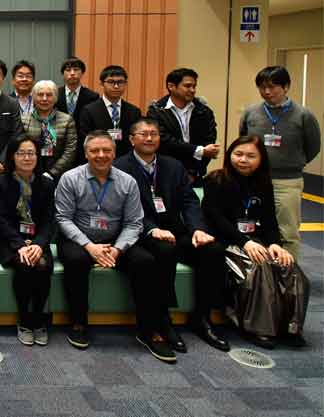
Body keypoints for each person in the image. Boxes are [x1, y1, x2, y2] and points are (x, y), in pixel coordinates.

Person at [55, 131, 178, 363]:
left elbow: (134, 222)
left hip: (116, 240)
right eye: (94, 151)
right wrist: (90, 246)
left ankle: (148, 330)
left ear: (114, 153)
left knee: (145, 262)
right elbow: (63, 219)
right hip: (79, 240)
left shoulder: (127, 182)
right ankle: (79, 322)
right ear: (85, 153)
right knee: (76, 261)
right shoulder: (70, 178)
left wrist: (117, 249)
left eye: (106, 151)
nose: (101, 155)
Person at [114, 119, 229, 352]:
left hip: (176, 229)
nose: (149, 138)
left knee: (213, 250)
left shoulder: (173, 165)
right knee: (163, 250)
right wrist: (151, 228)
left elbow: (189, 201)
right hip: (140, 231)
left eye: (154, 134)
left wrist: (198, 229)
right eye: (143, 134)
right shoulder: (120, 167)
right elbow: (123, 209)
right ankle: (162, 319)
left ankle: (202, 317)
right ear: (131, 139)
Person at [202, 135, 310, 349]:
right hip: (227, 241)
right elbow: (216, 219)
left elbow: (270, 220)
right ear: (229, 155)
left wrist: (276, 244)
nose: (243, 160)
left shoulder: (263, 183)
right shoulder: (215, 180)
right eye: (238, 154)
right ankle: (258, 329)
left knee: (290, 268)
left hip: (256, 240)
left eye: (251, 156)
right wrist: (245, 243)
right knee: (259, 269)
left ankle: (290, 327)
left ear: (261, 159)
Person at [239, 66, 320, 261]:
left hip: (287, 181)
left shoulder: (303, 115)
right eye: (262, 87)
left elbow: (313, 147)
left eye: (273, 87)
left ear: (286, 87)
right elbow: (243, 141)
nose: (267, 92)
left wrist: (291, 163)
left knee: (287, 231)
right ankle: (259, 275)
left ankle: (287, 275)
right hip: (254, 178)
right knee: (250, 226)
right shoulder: (251, 113)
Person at [0, 137, 55, 346]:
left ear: (38, 156)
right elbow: (2, 219)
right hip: (9, 240)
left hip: (38, 240)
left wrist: (38, 243)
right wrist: (20, 245)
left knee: (43, 266)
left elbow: (48, 220)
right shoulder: (1, 181)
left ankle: (39, 319)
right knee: (25, 265)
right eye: (21, 153)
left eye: (31, 153)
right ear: (13, 156)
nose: (27, 158)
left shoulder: (46, 183)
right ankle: (25, 320)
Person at [147, 68, 219, 185]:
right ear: (171, 86)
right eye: (187, 86)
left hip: (196, 174)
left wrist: (194, 170)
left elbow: (209, 143)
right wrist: (198, 150)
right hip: (165, 172)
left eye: (194, 86)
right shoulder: (156, 111)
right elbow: (164, 141)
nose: (192, 90)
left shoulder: (204, 111)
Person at [78, 65, 141, 159]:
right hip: (99, 159)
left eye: (120, 82)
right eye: (111, 82)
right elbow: (85, 141)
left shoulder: (134, 111)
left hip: (127, 162)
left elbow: (136, 140)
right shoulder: (89, 111)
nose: (116, 86)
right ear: (102, 83)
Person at [20, 80, 77, 179]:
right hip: (29, 174)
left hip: (60, 175)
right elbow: (20, 148)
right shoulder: (23, 120)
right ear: (33, 97)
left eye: (49, 95)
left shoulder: (67, 120)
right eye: (40, 95)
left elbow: (70, 150)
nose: (44, 98)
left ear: (55, 98)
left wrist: (52, 173)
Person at [11, 60, 35, 124]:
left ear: (33, 81)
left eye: (28, 76)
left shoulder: (40, 100)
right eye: (20, 76)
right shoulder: (6, 101)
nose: (24, 79)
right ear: (13, 80)